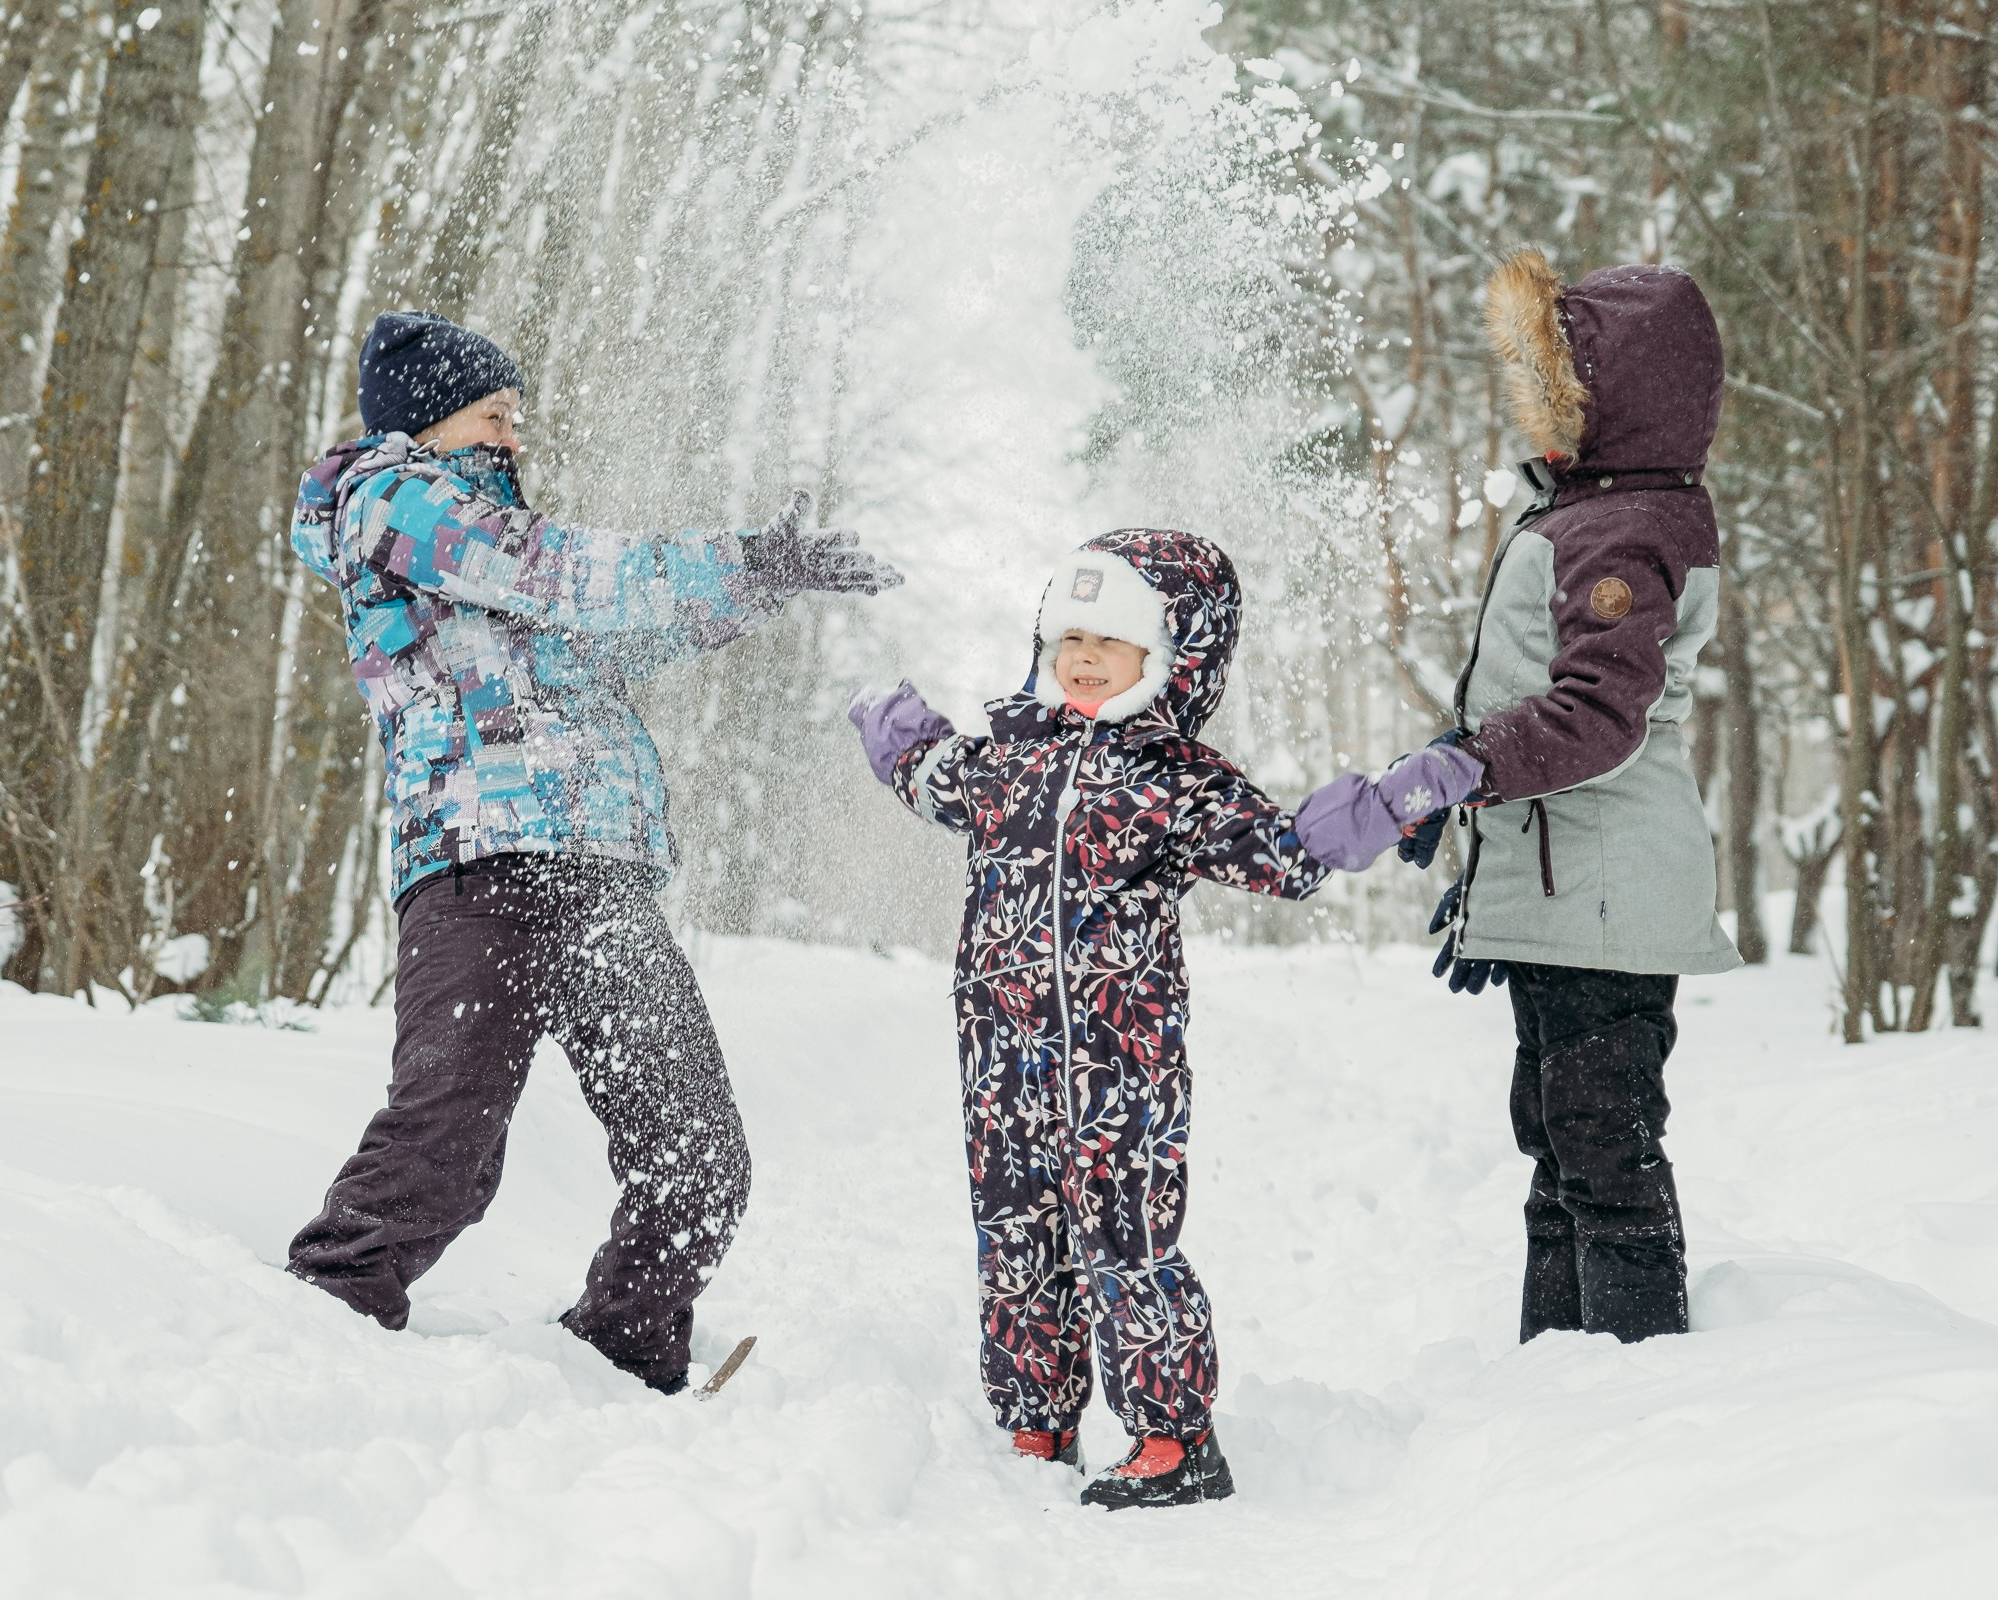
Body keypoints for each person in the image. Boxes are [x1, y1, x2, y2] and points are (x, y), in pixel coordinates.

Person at [284, 310, 900, 1392]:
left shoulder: (499, 551)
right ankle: (316, 1324)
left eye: (516, 417)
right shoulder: (392, 502)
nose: (514, 437)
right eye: (495, 414)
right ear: (432, 420)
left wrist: (760, 579)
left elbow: (617, 627)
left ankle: (619, 1355)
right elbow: (565, 574)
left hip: (594, 875)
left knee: (698, 1156)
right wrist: (731, 552)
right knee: (445, 1150)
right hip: (476, 870)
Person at [849, 529, 1438, 1509]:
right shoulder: (1006, 761)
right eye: (1067, 635)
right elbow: (930, 773)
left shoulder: (1175, 781)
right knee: (1016, 1236)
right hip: (1001, 1060)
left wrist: (1386, 806)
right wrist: (890, 723)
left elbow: (1286, 854)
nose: (1080, 655)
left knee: (1128, 1244)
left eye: (1108, 641)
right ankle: (1034, 1421)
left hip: (1121, 1066)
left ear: (1165, 662)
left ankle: (1175, 1438)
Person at [1301, 250, 1738, 1344]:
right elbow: (1538, 710)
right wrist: (1489, 862)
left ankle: (1636, 1395)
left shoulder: (1623, 532)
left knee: (1602, 1154)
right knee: (1556, 1146)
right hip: (1569, 889)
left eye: (1552, 390)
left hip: (1608, 895)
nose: (1534, 416)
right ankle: (1558, 1394)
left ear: (1613, 400)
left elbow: (1599, 714)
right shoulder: (1587, 515)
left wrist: (1455, 768)